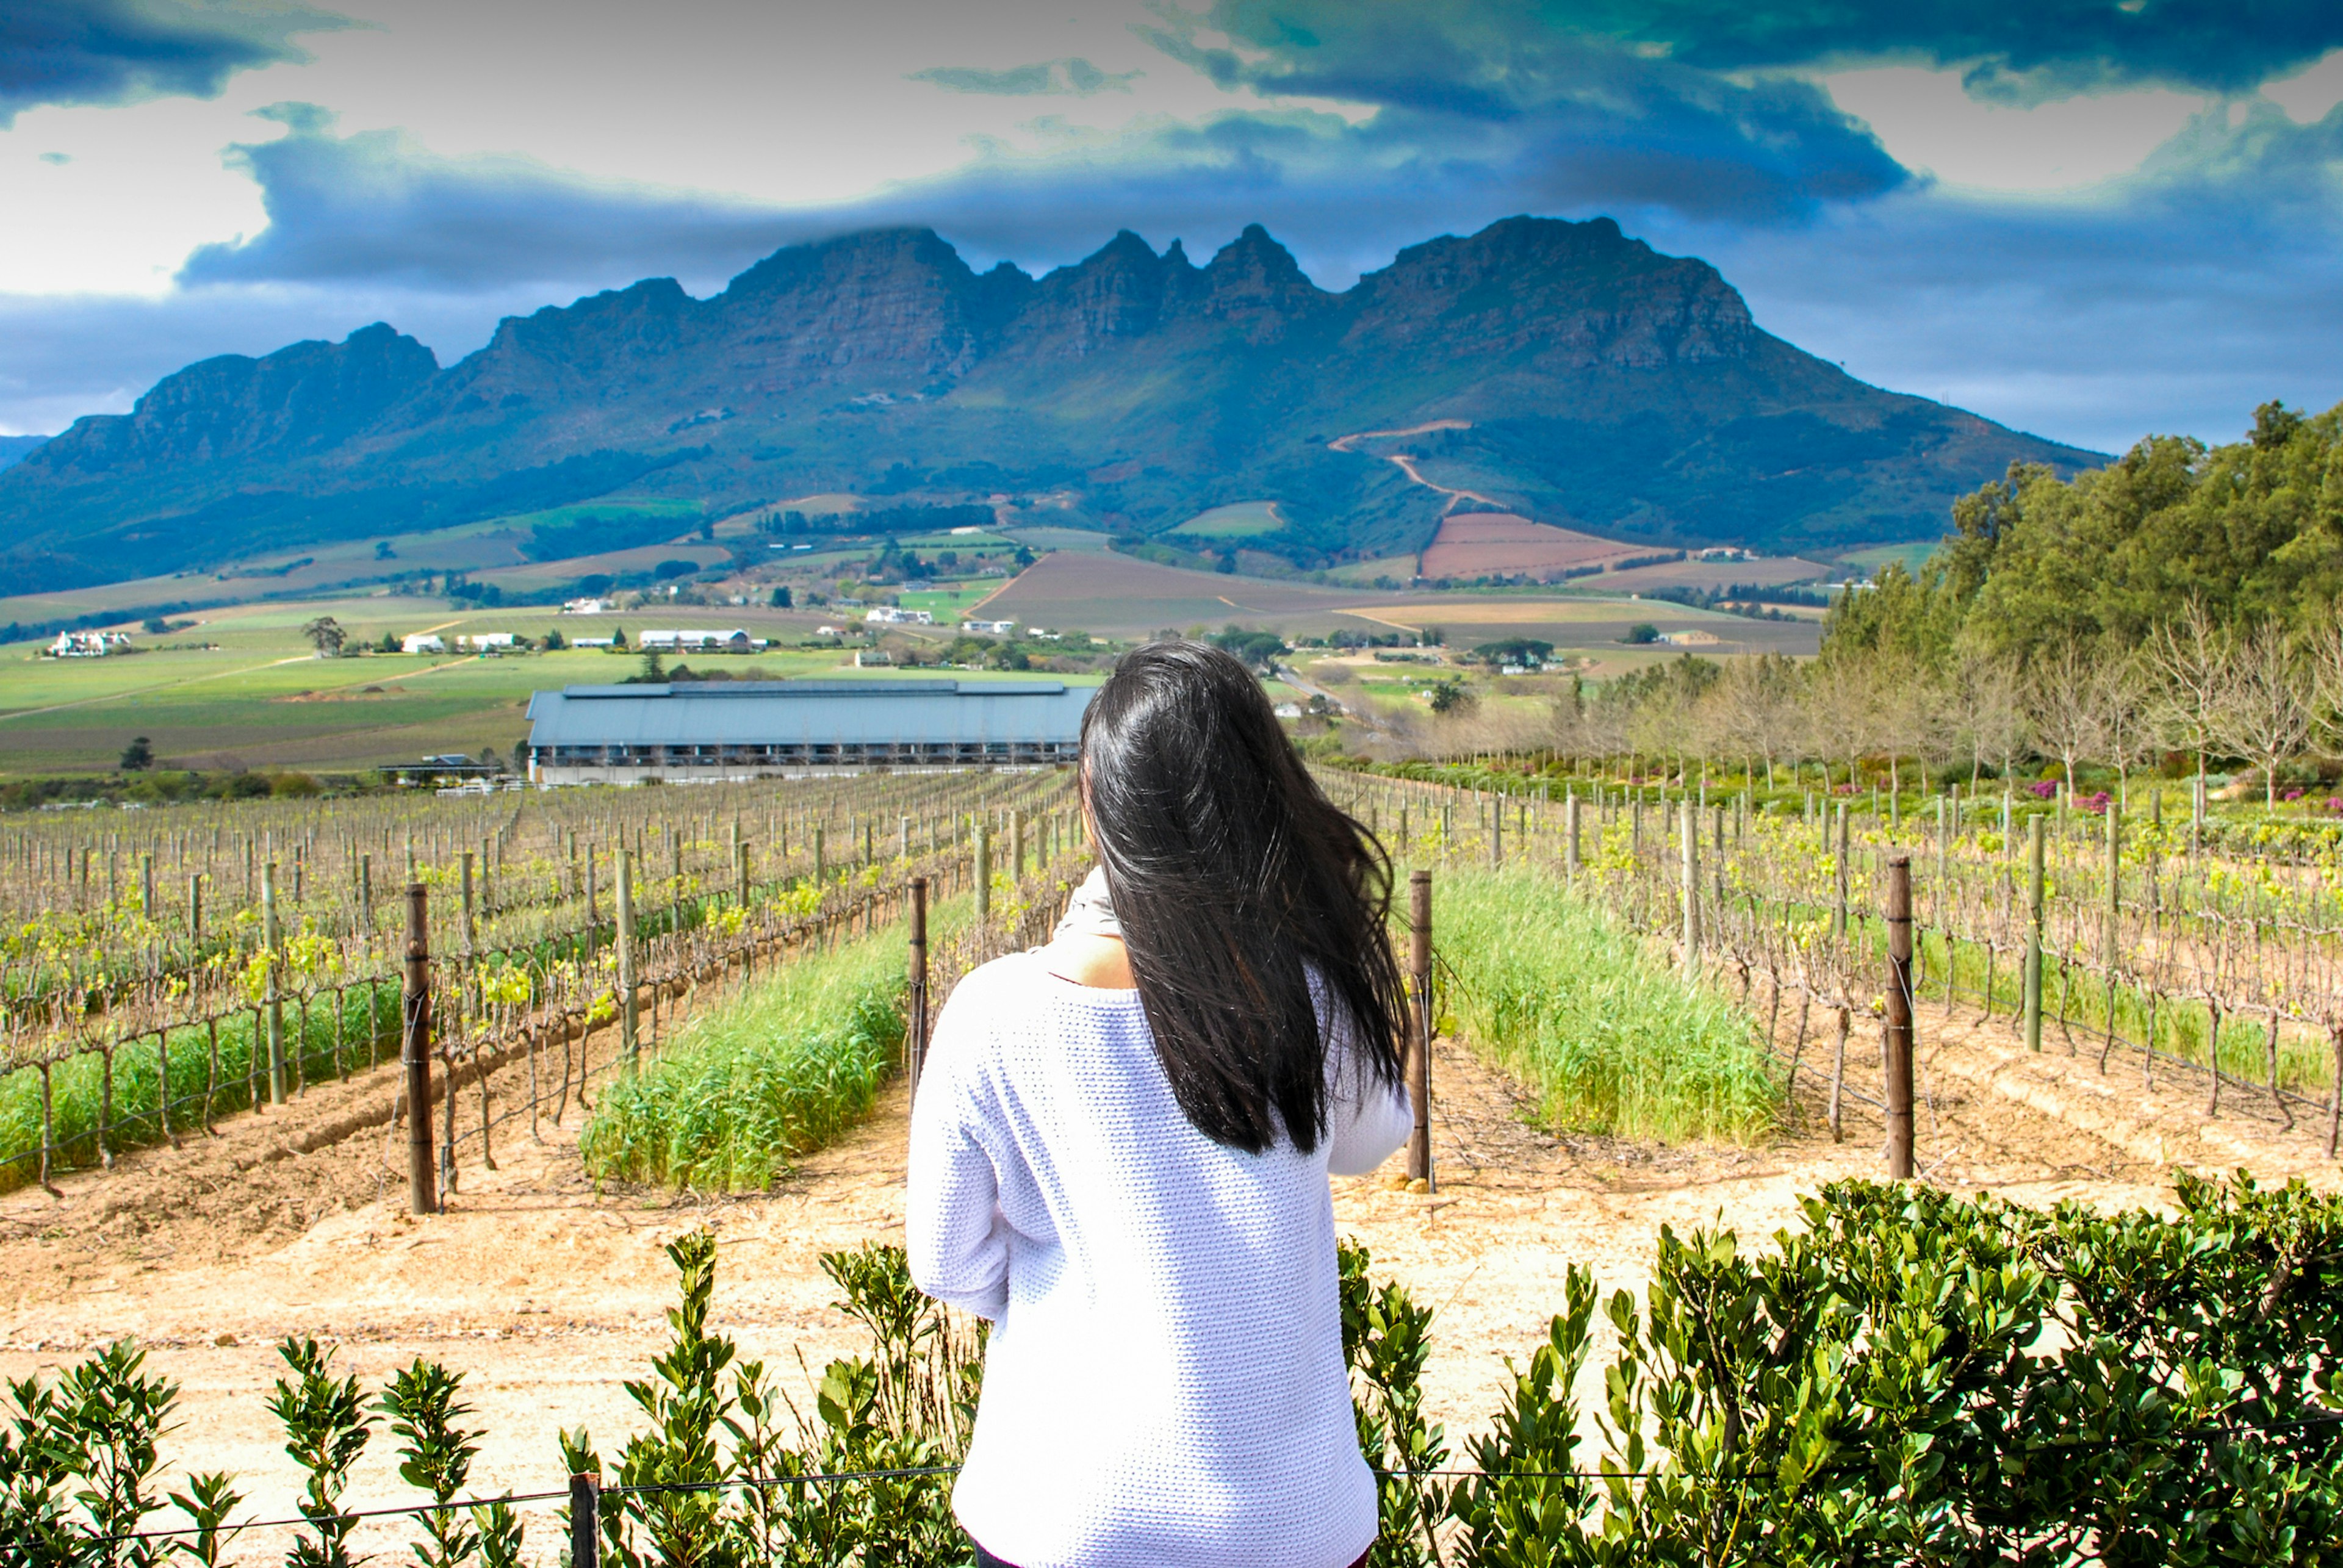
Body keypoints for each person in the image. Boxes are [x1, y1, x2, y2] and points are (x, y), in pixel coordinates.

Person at [909, 640, 1415, 1568]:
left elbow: (949, 1264)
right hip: (1295, 1525)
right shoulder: (1302, 995)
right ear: (1263, 797)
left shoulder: (994, 1014)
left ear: (1096, 801)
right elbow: (1378, 1133)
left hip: (1062, 1516)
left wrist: (1091, 1291)